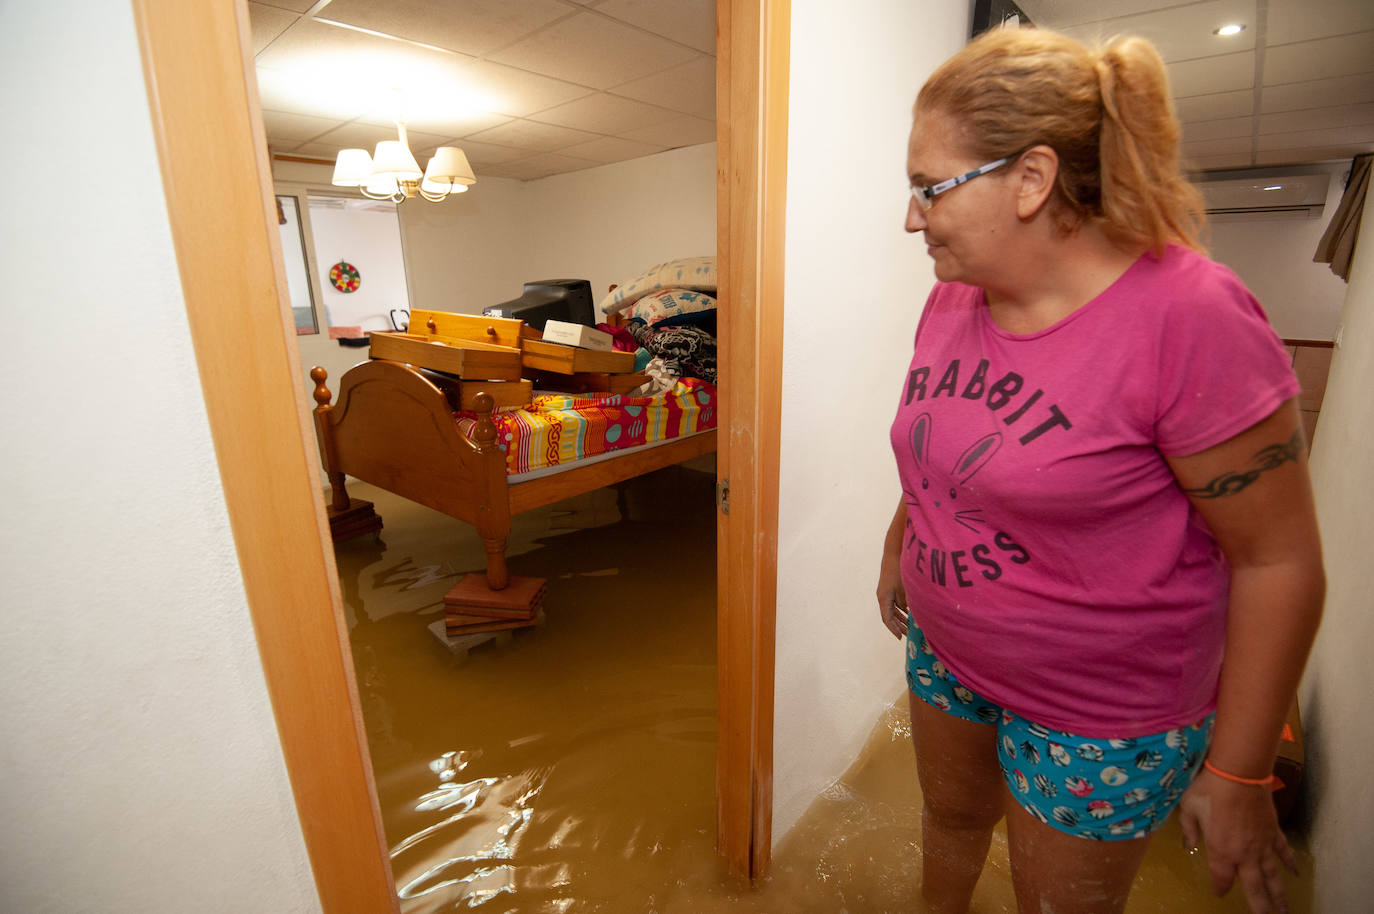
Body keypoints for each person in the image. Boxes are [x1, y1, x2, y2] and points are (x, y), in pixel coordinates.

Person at [877, 26, 1325, 914]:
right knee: (951, 823)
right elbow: (943, 442)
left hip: (1100, 710)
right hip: (947, 650)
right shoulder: (952, 296)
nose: (911, 217)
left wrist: (1236, 772)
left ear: (1032, 179)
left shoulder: (1189, 317)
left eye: (930, 188)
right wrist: (902, 548)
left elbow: (1279, 562)